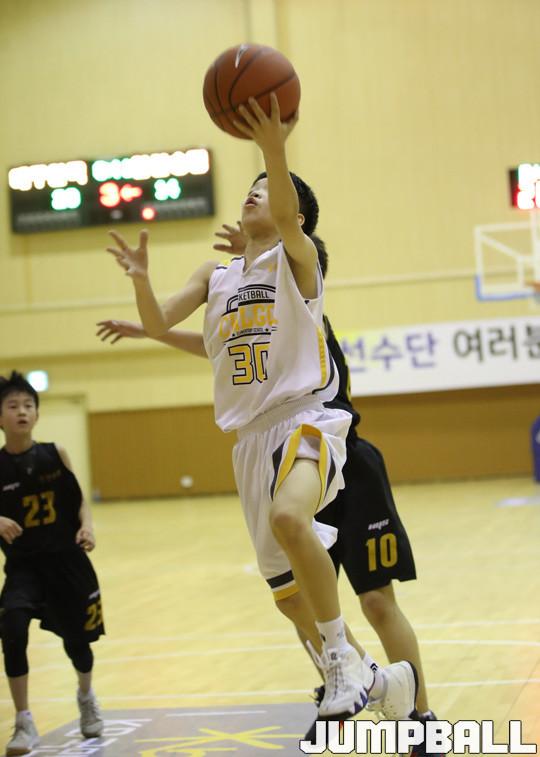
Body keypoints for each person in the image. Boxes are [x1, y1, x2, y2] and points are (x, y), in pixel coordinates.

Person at [103, 94, 417, 723]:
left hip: (307, 418)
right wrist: (140, 280)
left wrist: (273, 148)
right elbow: (160, 321)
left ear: (289, 210)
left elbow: (289, 218)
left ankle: (345, 662)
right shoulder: (217, 276)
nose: (252, 196)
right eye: (248, 191)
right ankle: (382, 684)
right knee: (289, 600)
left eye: (264, 191)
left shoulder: (298, 261)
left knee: (290, 518)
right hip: (249, 438)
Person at [98, 230, 441, 755]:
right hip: (281, 452)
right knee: (298, 599)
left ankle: (420, 719)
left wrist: (267, 246)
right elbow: (216, 346)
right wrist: (155, 328)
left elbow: (289, 244)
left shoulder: (299, 294)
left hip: (339, 455)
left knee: (376, 601)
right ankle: (346, 687)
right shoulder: (249, 310)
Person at [0, 372, 104, 756]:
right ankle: (24, 720)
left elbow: (78, 500)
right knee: (12, 627)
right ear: (0, 417)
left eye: (28, 405)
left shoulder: (55, 453)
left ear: (37, 414)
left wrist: (87, 526)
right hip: (24, 567)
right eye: (13, 405)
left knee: (78, 644)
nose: (22, 411)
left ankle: (86, 696)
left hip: (66, 562)